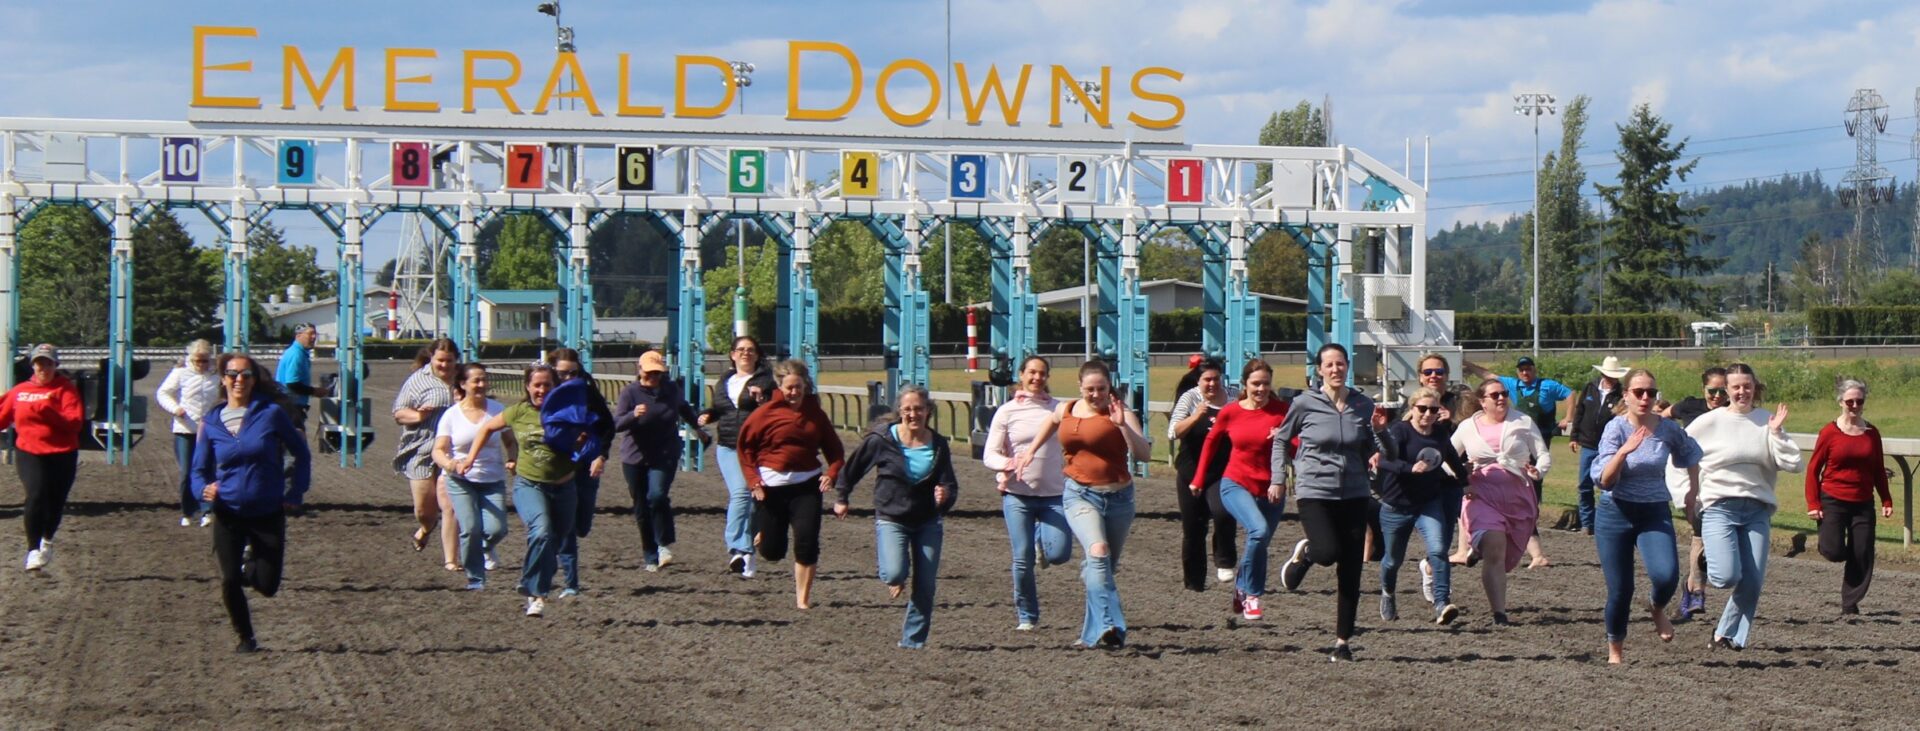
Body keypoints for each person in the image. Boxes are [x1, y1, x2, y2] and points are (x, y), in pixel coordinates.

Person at [1013, 359, 1151, 648]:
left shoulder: (1121, 413)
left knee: (1102, 568)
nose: (1096, 394)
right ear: (1080, 387)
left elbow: (1144, 455)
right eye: (1090, 389)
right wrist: (1030, 451)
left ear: (1109, 387)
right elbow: (1052, 422)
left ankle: (1091, 635)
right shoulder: (1068, 409)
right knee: (1098, 552)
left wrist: (1122, 426)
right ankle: (1112, 626)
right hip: (1080, 494)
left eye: (1101, 389)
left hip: (1119, 499)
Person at [191, 352, 311, 652]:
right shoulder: (211, 421)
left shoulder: (271, 414)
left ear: (255, 380)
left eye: (246, 375)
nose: (239, 380)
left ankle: (250, 565)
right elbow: (198, 470)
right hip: (228, 511)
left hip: (267, 510)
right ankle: (245, 637)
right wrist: (203, 490)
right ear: (223, 379)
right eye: (232, 374)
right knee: (229, 580)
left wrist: (295, 492)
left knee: (267, 586)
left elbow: (301, 452)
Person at [1274, 343, 1380, 661]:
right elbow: (1281, 439)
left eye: (1340, 364)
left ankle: (1342, 642)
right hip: (1315, 491)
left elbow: (1372, 444)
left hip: (1355, 492)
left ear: (1348, 366)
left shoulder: (1363, 404)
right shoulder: (1304, 404)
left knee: (1351, 569)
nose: (1335, 369)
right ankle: (1307, 553)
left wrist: (1379, 443)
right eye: (1329, 365)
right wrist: (1278, 478)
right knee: (1327, 552)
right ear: (1319, 370)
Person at [1591, 368, 1702, 664]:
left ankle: (1657, 607)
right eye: (1638, 392)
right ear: (1626, 395)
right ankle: (1615, 650)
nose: (1644, 398)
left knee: (1666, 576)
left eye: (1650, 393)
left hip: (1653, 511)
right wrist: (1623, 453)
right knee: (1621, 590)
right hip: (1615, 512)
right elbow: (1604, 481)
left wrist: (1692, 491)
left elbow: (1692, 454)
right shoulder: (1615, 429)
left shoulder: (1667, 429)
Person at [834, 386, 959, 649]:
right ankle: (897, 574)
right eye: (908, 409)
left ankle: (913, 641)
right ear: (900, 411)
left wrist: (944, 496)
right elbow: (853, 469)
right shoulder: (882, 439)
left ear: (928, 411)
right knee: (893, 572)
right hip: (892, 517)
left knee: (925, 585)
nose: (913, 414)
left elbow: (949, 483)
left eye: (919, 409)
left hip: (927, 520)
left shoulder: (938, 444)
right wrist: (842, 497)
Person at [1690, 363, 1800, 650]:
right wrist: (1685, 496)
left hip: (1757, 510)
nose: (1742, 391)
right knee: (1725, 577)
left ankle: (1725, 634)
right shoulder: (1708, 422)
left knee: (1752, 581)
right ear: (1726, 390)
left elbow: (1793, 463)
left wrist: (1777, 433)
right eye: (1736, 387)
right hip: (1719, 507)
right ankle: (1710, 559)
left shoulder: (1766, 420)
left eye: (1747, 386)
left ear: (1754, 387)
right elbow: (1679, 455)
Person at [460, 364, 575, 618]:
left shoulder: (568, 413)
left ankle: (533, 587)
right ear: (528, 387)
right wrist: (470, 458)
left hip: (565, 487)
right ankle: (535, 591)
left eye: (547, 385)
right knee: (541, 531)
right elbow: (487, 428)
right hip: (529, 484)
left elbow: (593, 434)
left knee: (554, 542)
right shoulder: (518, 412)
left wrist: (591, 451)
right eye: (537, 385)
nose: (542, 390)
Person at [736, 359, 845, 610]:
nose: (794, 392)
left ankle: (803, 599)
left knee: (807, 541)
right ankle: (764, 533)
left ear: (805, 386)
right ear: (779, 387)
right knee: (772, 552)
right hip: (771, 488)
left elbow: (835, 451)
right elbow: (745, 450)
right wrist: (753, 481)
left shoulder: (815, 414)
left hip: (807, 485)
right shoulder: (763, 414)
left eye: (798, 387)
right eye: (789, 388)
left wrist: (831, 473)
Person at [1190, 359, 1289, 620]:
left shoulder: (1282, 411)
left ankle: (1241, 587)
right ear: (1245, 384)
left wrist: (1284, 437)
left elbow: (1298, 445)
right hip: (1236, 483)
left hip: (1272, 489)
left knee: (1259, 542)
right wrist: (1199, 479)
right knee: (1259, 530)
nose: (1261, 389)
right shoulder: (1231, 412)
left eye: (1265, 384)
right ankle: (1252, 596)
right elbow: (1211, 442)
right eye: (1256, 384)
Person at [981, 355, 1074, 631]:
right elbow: (989, 455)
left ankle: (1039, 540)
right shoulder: (1007, 412)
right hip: (1017, 495)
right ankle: (1027, 615)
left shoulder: (1058, 409)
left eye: (1042, 373)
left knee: (1059, 554)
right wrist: (1010, 463)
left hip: (1054, 495)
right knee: (1022, 559)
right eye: (1031, 372)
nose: (1037, 378)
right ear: (1021, 375)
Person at [1450, 378, 1550, 626]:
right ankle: (1500, 613)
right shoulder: (1467, 427)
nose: (1501, 398)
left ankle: (1478, 548)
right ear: (1482, 401)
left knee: (1506, 553)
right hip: (1480, 496)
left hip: (1517, 498)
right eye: (1494, 395)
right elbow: (1446, 457)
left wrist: (1538, 471)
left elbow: (1543, 454)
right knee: (1495, 547)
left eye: (1504, 393)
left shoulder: (1522, 421)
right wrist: (1460, 473)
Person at [1375, 386, 1471, 625]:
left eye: (1433, 410)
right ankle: (1388, 593)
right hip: (1397, 505)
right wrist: (1409, 468)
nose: (1428, 414)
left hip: (1429, 502)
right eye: (1423, 409)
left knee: (1438, 550)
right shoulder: (1400, 431)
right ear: (1412, 408)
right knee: (1392, 560)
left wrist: (1466, 483)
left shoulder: (1439, 433)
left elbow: (1451, 457)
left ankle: (1441, 603)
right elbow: (1383, 461)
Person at [1806, 379, 1894, 616]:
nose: (1855, 405)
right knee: (1833, 551)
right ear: (1841, 402)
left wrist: (1886, 499)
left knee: (1862, 552)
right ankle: (1830, 543)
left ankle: (1850, 603)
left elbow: (1878, 469)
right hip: (1833, 499)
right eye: (1850, 401)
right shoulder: (1829, 432)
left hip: (1863, 502)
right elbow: (1813, 469)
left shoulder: (1872, 433)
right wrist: (1813, 503)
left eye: (1859, 401)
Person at [615, 350, 705, 572]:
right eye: (649, 373)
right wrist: (633, 415)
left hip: (664, 453)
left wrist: (698, 428)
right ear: (640, 371)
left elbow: (684, 408)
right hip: (635, 457)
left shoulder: (671, 389)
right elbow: (616, 424)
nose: (653, 377)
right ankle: (650, 555)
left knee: (657, 495)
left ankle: (664, 543)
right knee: (641, 507)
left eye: (657, 373)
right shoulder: (630, 393)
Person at [0, 344, 85, 571]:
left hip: (62, 453)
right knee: (35, 494)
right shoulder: (20, 391)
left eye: (48, 363)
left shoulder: (66, 390)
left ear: (55, 365)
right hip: (30, 452)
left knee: (56, 502)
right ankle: (32, 550)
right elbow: (2, 416)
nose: (43, 368)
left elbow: (75, 424)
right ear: (32, 365)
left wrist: (50, 413)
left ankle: (47, 539)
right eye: (39, 363)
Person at [432, 363, 515, 591]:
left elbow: (510, 441)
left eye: (484, 379)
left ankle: (484, 548)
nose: (481, 384)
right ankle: (475, 578)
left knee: (497, 529)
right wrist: (450, 464)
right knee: (470, 528)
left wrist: (512, 458)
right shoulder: (451, 415)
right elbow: (438, 450)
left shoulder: (497, 410)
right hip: (461, 481)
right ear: (463, 384)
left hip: (492, 479)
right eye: (476, 380)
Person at [697, 335, 775, 577]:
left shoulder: (766, 381)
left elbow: (775, 409)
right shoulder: (725, 380)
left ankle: (746, 554)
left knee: (756, 499)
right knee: (741, 493)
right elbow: (720, 409)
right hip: (729, 446)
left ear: (757, 355)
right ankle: (737, 547)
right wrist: (708, 415)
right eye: (740, 349)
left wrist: (762, 400)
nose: (745, 353)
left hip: (757, 447)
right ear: (732, 355)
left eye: (750, 350)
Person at [1168, 357, 1239, 591]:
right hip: (1191, 470)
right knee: (1193, 528)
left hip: (1222, 470)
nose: (1212, 384)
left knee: (1223, 511)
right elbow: (1173, 432)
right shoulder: (1190, 398)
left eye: (1216, 379)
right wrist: (1196, 416)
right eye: (1207, 379)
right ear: (1198, 381)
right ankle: (1194, 582)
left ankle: (1224, 560)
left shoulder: (1234, 396)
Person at [547, 349, 613, 597]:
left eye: (573, 373)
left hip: (587, 463)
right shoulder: (547, 394)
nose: (568, 378)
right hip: (559, 466)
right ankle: (570, 582)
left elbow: (608, 425)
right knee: (567, 525)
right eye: (562, 373)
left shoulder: (587, 392)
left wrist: (601, 455)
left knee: (582, 526)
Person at [393, 339, 461, 571]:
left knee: (450, 506)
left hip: (453, 450)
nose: (444, 365)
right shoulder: (418, 380)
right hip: (421, 448)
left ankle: (451, 559)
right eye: (440, 360)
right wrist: (419, 416)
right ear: (431, 357)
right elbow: (399, 413)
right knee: (425, 510)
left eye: (449, 361)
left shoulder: (462, 379)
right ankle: (425, 528)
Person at [1668, 367, 1729, 619]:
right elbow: (1663, 417)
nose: (1717, 396)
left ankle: (1691, 586)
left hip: (1722, 483)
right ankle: (1697, 592)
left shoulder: (1733, 412)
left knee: (1709, 539)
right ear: (1703, 388)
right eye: (1712, 391)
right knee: (1700, 535)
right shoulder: (1690, 407)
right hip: (1691, 482)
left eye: (1722, 391)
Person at [156, 339, 221, 527]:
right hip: (185, 429)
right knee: (186, 471)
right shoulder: (180, 373)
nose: (201, 365)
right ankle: (187, 510)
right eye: (197, 361)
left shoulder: (216, 375)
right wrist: (176, 409)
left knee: (208, 469)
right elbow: (163, 393)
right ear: (191, 359)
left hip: (208, 430)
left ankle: (207, 509)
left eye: (204, 360)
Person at [1566, 356, 1629, 534]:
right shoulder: (1590, 388)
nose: (1612, 378)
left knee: (1607, 486)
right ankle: (1587, 523)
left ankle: (1605, 521)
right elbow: (1580, 411)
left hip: (1610, 446)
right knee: (1584, 485)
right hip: (1588, 443)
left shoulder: (1621, 395)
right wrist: (1574, 436)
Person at [274, 323, 327, 430]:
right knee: (296, 437)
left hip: (289, 405)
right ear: (298, 336)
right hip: (291, 406)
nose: (314, 337)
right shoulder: (296, 354)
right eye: (310, 334)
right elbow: (292, 384)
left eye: (315, 334)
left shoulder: (299, 353)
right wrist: (314, 391)